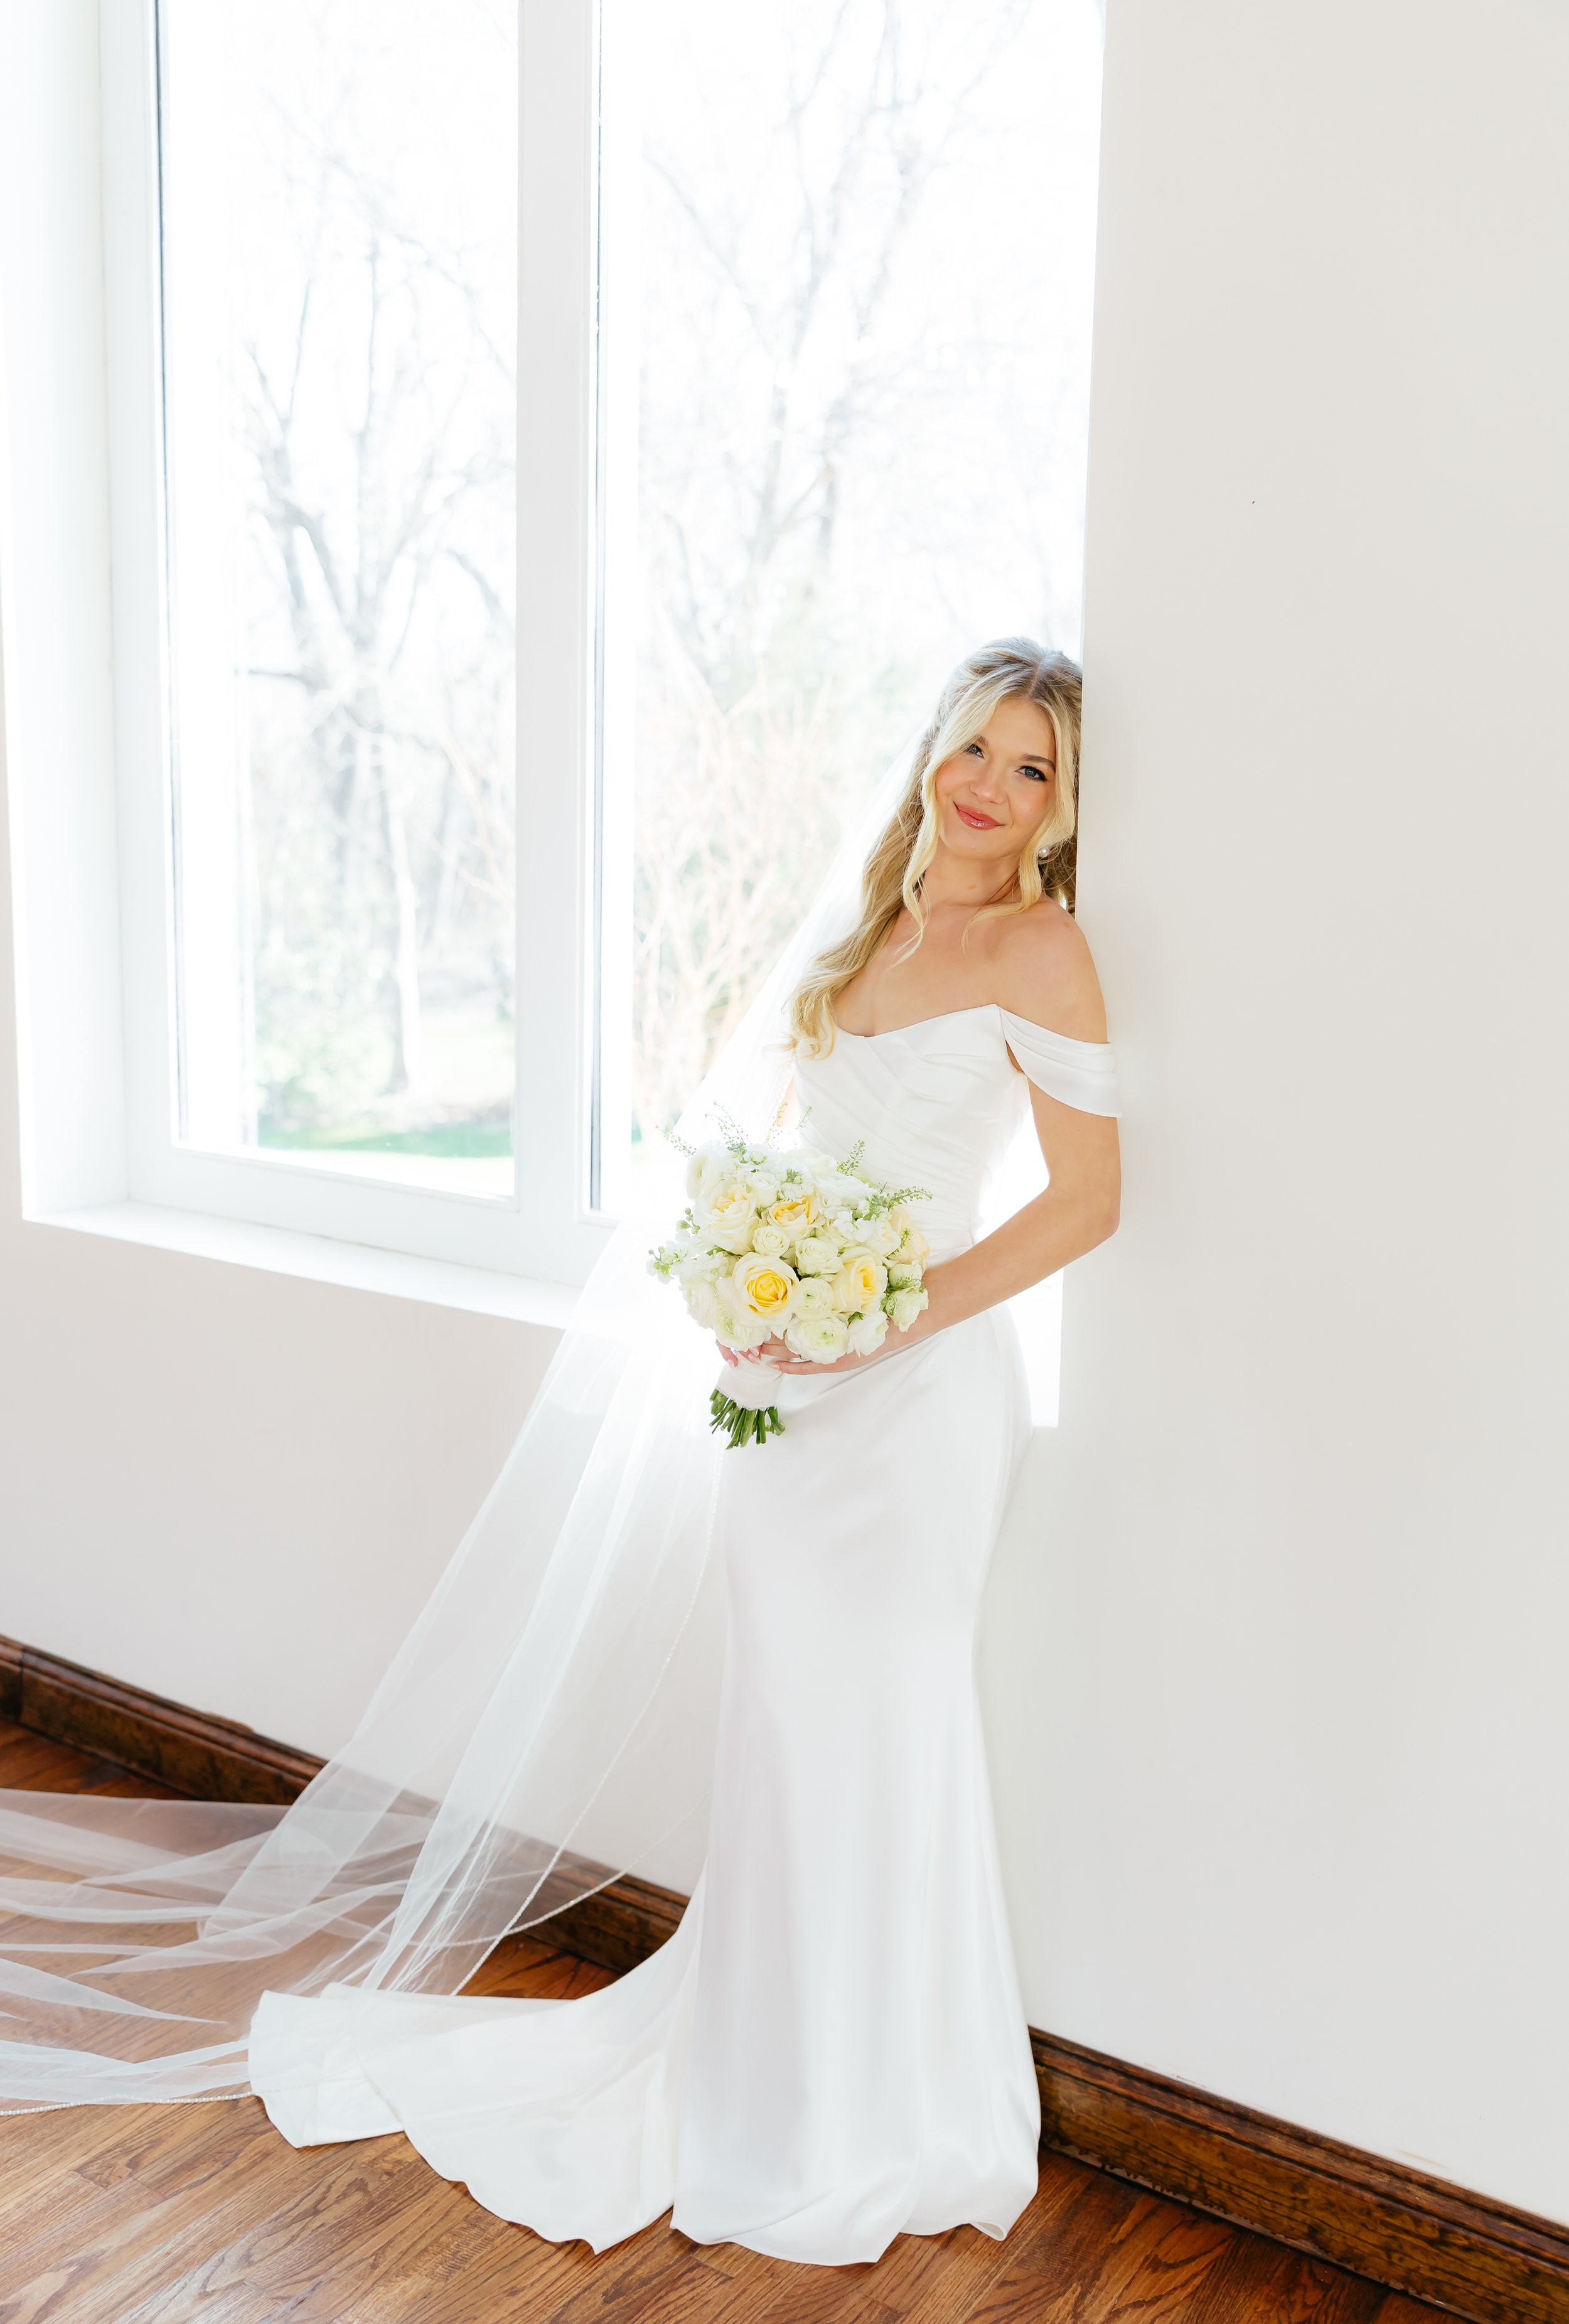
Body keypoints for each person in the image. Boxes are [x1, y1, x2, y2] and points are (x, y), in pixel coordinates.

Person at [0, 639, 1120, 2273]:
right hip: (793, 1398)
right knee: (788, 1728)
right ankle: (768, 2049)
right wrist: (763, 1292)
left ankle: (878, 2092)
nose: (988, 787)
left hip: (921, 1402)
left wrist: (886, 1317)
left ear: (1059, 808)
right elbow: (798, 1159)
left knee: (883, 1720)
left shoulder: (1047, 948)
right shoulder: (874, 928)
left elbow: (1087, 1202)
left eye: (1031, 769)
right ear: (932, 754)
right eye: (975, 748)